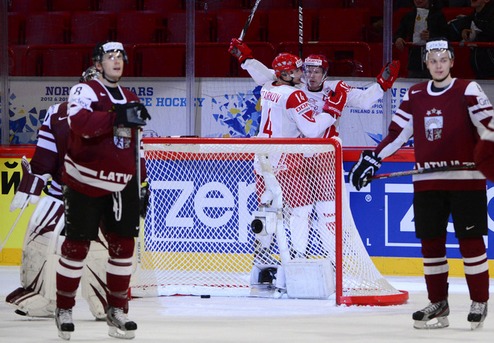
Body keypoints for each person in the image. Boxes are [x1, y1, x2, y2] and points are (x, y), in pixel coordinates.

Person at [349, 38, 491, 330]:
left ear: (452, 61)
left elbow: (488, 127)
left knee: (471, 243)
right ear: (426, 63)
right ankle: (438, 301)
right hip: (428, 181)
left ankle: (479, 300)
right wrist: (373, 158)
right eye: (433, 60)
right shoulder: (414, 95)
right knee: (431, 245)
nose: (438, 64)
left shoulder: (468, 89)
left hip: (466, 181)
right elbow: (397, 133)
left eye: (443, 59)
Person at [229, 39, 399, 264]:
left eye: (316, 71)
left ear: (325, 73)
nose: (310, 75)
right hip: (295, 158)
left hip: (323, 158)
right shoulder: (293, 87)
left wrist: (381, 85)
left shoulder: (336, 88)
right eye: (307, 70)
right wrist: (247, 60)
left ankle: (333, 260)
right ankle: (293, 257)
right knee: (298, 210)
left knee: (327, 211)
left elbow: (365, 100)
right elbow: (267, 74)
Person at [55, 41, 150, 340]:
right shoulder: (84, 90)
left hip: (121, 185)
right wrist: (117, 117)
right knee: (76, 246)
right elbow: (80, 123)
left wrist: (142, 182)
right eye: (110, 57)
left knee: (124, 248)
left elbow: (137, 145)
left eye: (120, 56)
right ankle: (64, 308)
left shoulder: (131, 96)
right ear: (98, 64)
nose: (117, 61)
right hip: (85, 182)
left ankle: (117, 310)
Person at [5, 67, 108, 320]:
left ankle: (104, 299)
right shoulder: (56, 113)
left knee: (99, 248)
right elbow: (44, 157)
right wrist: (31, 184)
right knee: (39, 237)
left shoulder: (116, 116)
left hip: (99, 196)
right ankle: (43, 297)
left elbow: (128, 157)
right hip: (57, 194)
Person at [394, 0, 449, 78]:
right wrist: (398, 38)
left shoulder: (438, 15)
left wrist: (432, 36)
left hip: (434, 60)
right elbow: (399, 33)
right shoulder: (409, 15)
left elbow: (446, 36)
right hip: (414, 59)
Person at [450, 0, 494, 79]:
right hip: (480, 64)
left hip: (489, 63)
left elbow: (489, 32)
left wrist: (474, 33)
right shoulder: (474, 15)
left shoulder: (490, 14)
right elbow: (451, 30)